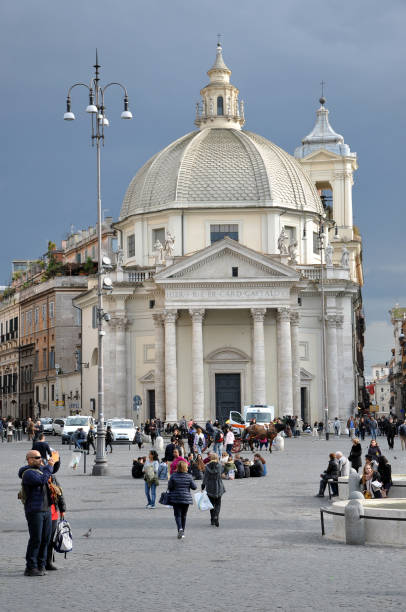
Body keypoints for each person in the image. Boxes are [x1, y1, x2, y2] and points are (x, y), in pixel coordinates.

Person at [18, 450, 56, 576]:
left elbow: (51, 471)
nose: (41, 459)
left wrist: (55, 461)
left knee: (45, 539)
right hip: (35, 510)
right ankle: (30, 567)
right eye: (37, 457)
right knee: (36, 539)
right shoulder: (28, 473)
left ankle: (41, 565)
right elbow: (42, 479)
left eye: (41, 457)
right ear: (29, 459)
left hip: (46, 509)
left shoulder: (40, 468)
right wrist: (49, 466)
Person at [167, 460, 197, 539]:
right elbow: (194, 487)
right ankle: (182, 532)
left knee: (177, 515)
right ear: (185, 468)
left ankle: (180, 529)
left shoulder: (173, 476)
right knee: (184, 516)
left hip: (176, 498)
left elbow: (169, 487)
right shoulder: (189, 476)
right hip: (186, 498)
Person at [46, 458, 66, 571]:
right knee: (41, 538)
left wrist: (63, 509)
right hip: (42, 512)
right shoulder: (38, 477)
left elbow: (60, 493)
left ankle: (48, 562)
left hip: (53, 513)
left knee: (50, 539)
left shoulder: (52, 477)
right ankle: (39, 562)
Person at [202, 453, 225, 527]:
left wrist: (203, 485)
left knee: (211, 504)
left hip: (210, 486)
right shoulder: (220, 466)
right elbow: (222, 472)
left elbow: (205, 477)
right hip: (218, 485)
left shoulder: (207, 466)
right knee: (218, 503)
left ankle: (212, 519)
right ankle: (216, 516)